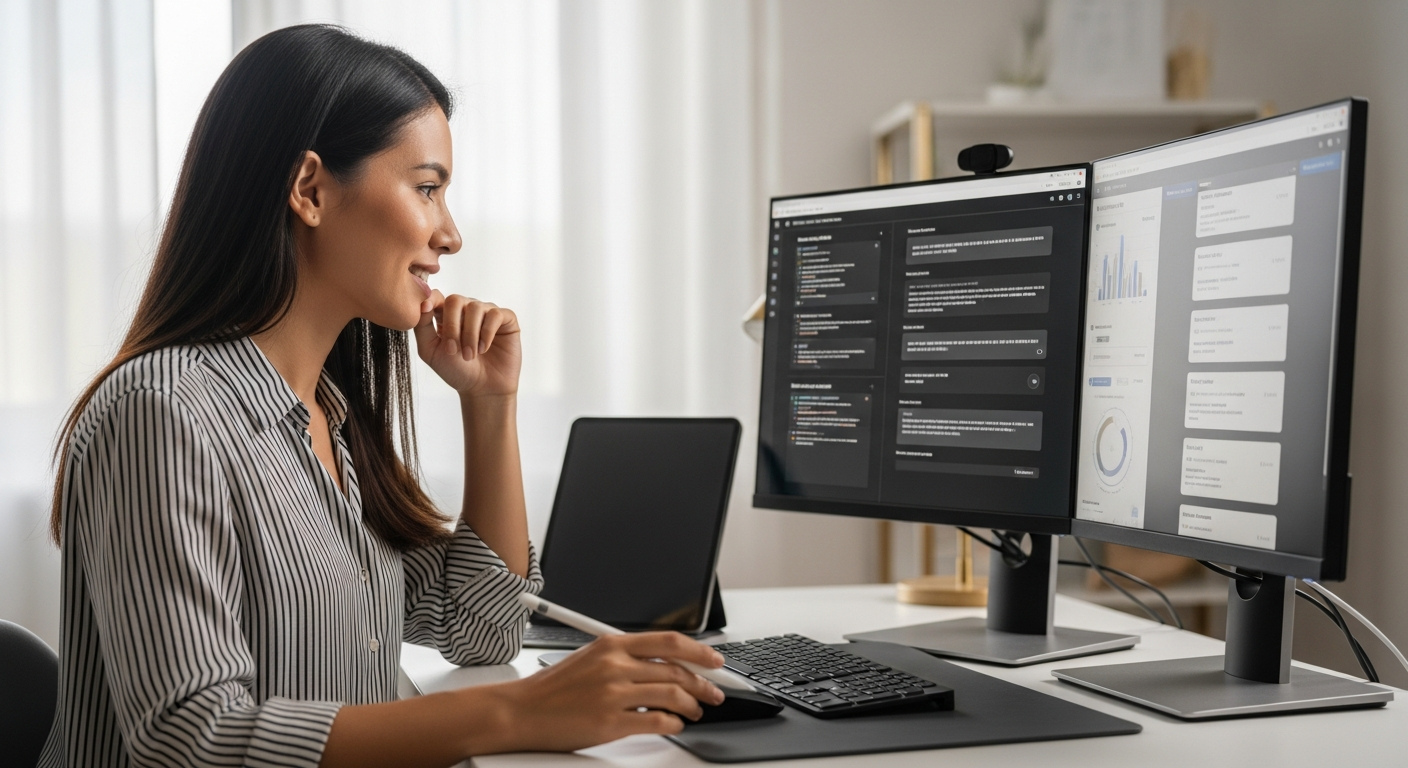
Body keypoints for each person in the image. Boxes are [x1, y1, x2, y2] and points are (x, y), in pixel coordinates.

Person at [39, 24, 726, 768]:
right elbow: (190, 738)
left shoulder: (328, 417)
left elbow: (482, 626)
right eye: (427, 188)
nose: (451, 234)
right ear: (310, 190)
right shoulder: (163, 412)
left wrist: (489, 405)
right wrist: (516, 712)